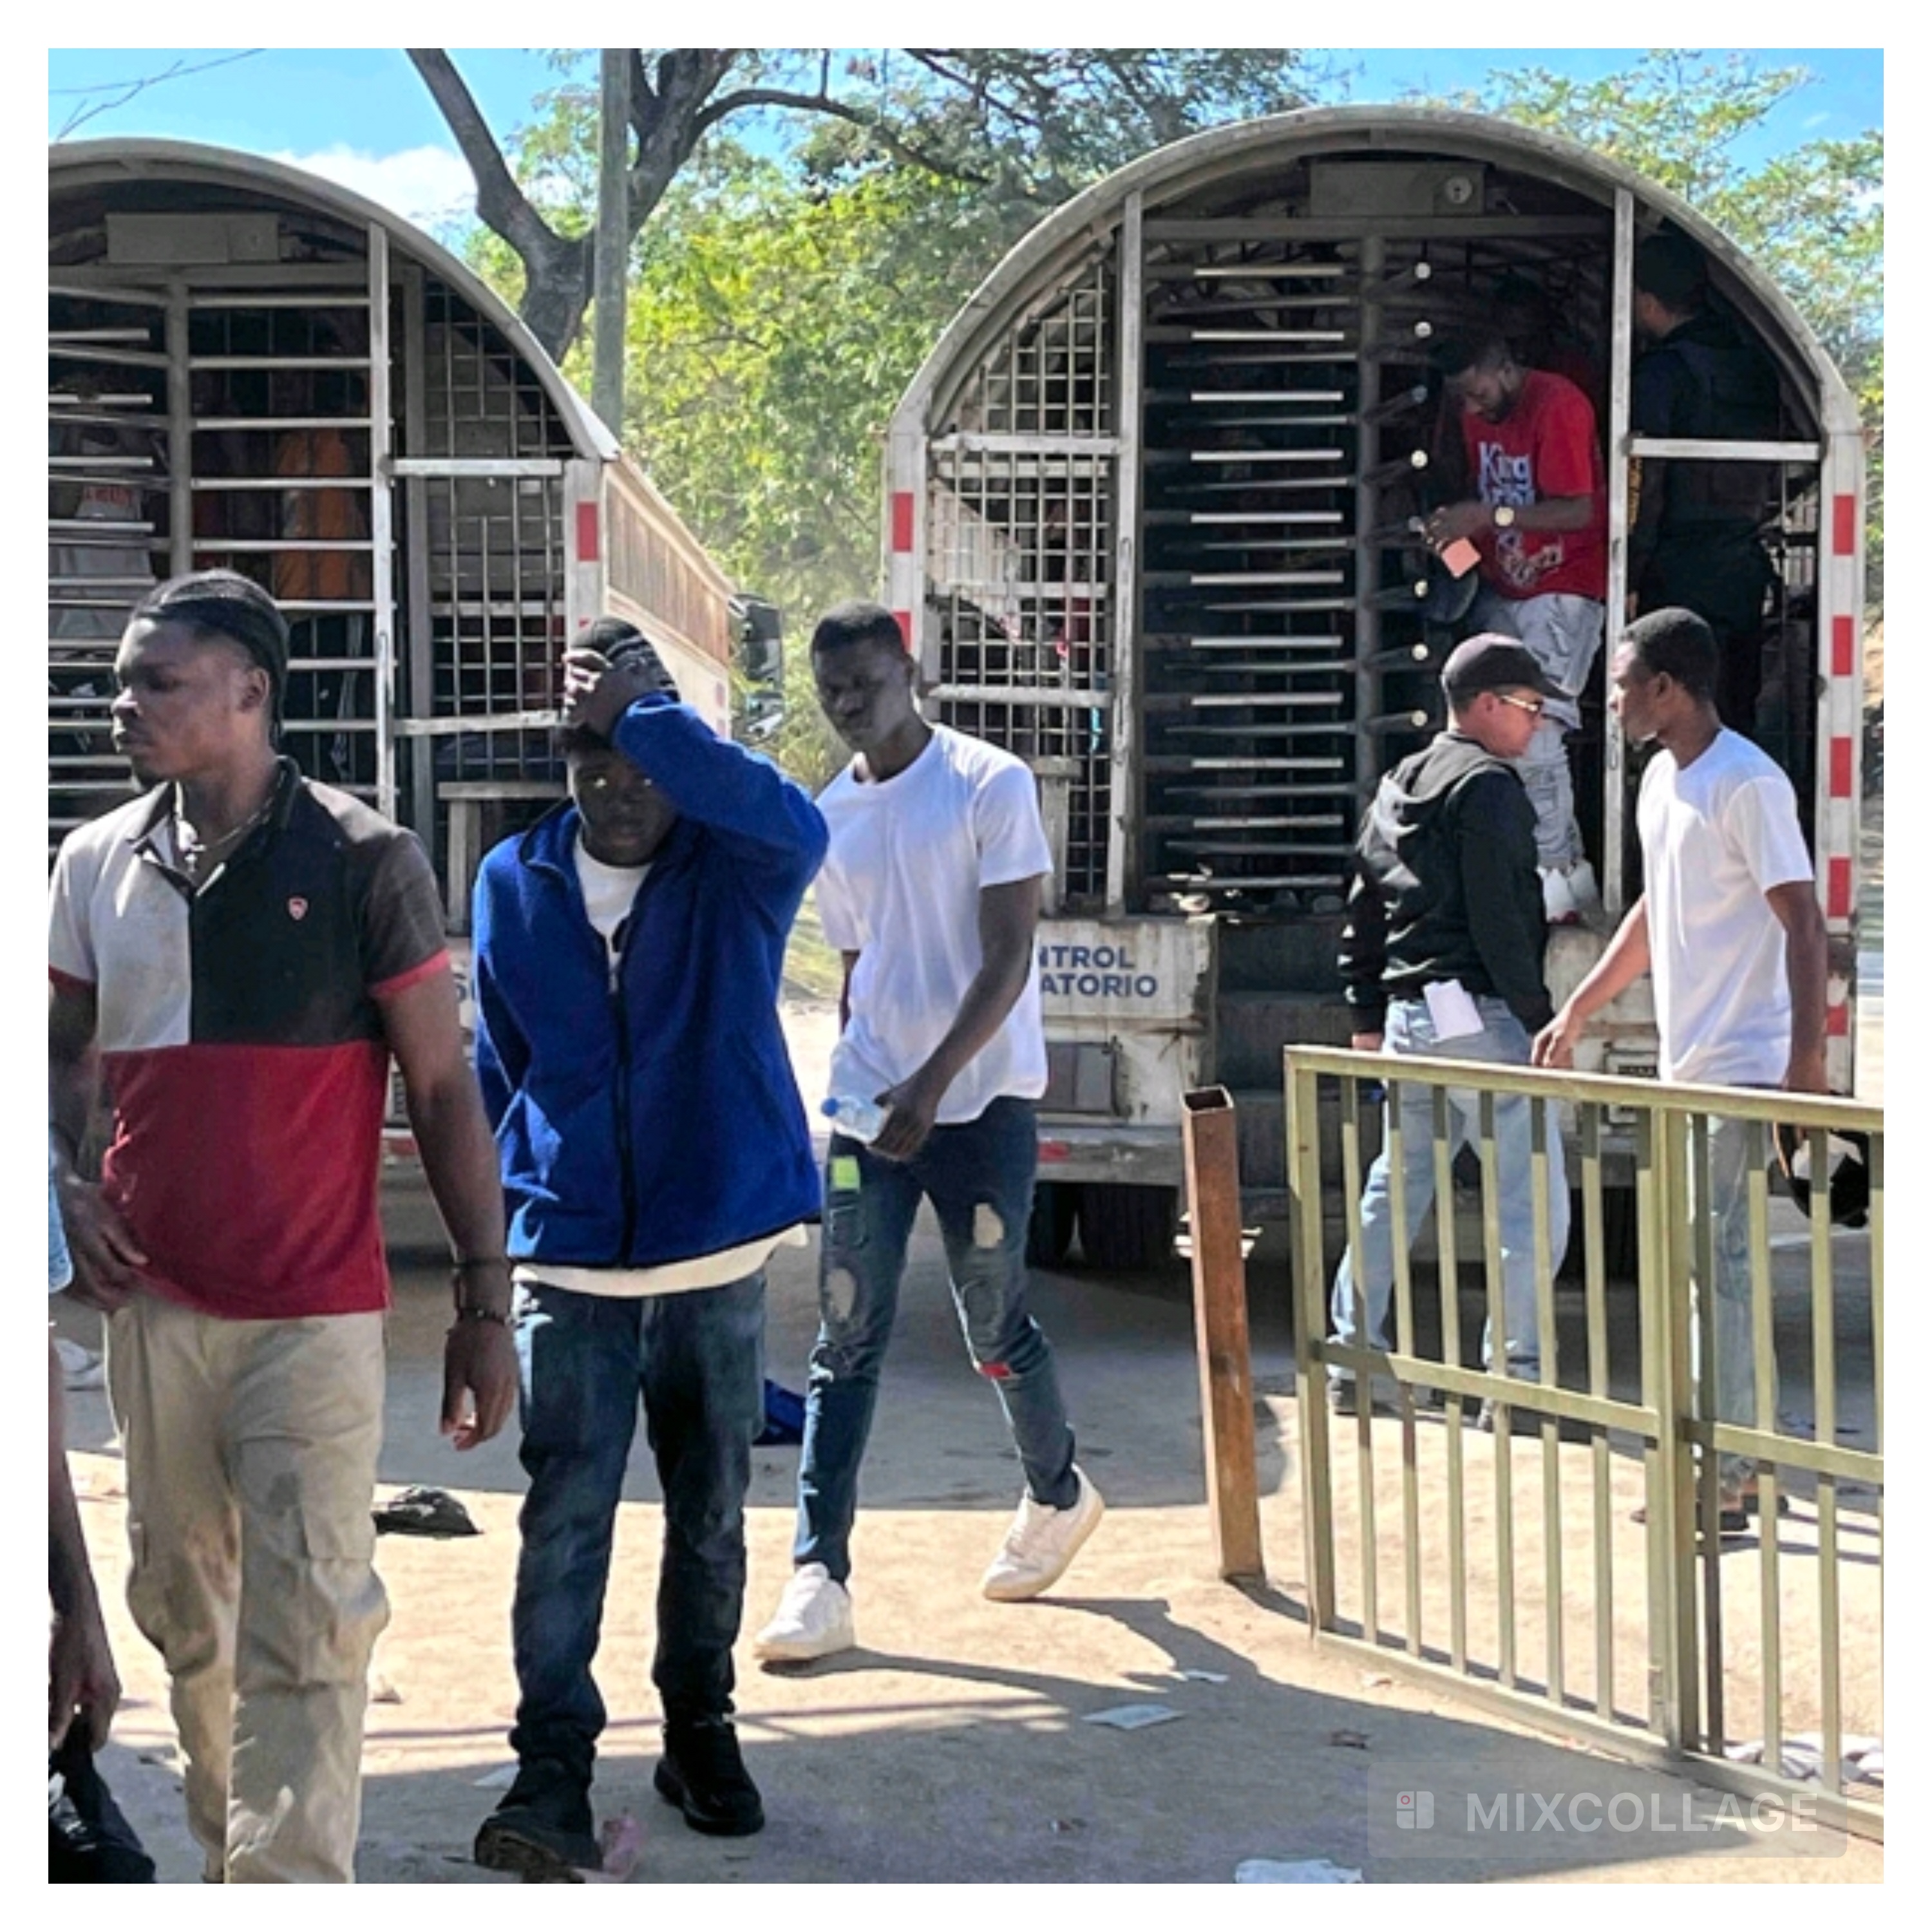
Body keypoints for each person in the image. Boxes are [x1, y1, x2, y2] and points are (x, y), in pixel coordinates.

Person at [48, 568, 518, 1884]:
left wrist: (485, 1304)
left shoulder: (366, 860)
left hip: (313, 1318)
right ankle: (233, 1864)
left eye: (158, 681)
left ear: (252, 693)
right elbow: (55, 1060)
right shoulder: (93, 864)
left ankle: (286, 1890)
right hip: (154, 1311)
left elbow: (442, 1088)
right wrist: (62, 1184)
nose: (123, 704)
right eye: (120, 682)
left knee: (310, 1623)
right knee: (187, 1616)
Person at [468, 621, 828, 1879]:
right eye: (594, 759)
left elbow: (797, 821)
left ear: (678, 755)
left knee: (710, 1513)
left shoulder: (739, 870)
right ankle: (551, 1765)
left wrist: (643, 712)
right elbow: (501, 1059)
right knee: (565, 1519)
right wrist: (521, 1202)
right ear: (560, 761)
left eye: (643, 760)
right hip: (568, 1269)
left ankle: (700, 1729)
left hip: (711, 1257)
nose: (621, 787)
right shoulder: (513, 877)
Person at [753, 601, 1103, 1665]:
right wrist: (864, 1082)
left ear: (911, 673)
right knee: (844, 1333)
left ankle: (1057, 1494)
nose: (848, 705)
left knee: (992, 1324)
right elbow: (860, 966)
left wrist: (933, 1083)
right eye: (831, 691)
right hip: (872, 1111)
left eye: (865, 683)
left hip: (980, 1104)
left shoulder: (989, 783)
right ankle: (819, 1575)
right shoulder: (833, 816)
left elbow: (1009, 956)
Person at [1534, 607, 1827, 1526]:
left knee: (1719, 1266)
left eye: (1623, 684)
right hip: (1687, 1065)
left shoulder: (1748, 781)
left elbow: (1805, 922)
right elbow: (1655, 913)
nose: (1613, 700)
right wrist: (1581, 1006)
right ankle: (1736, 1463)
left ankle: (1727, 1478)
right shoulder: (1664, 780)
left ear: (1666, 688)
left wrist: (1805, 1065)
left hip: (1742, 1064)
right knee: (1707, 1268)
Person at [1328, 636, 1570, 1431]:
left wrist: (1366, 1013)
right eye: (1531, 709)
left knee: (1395, 1189)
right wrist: (1540, 1019)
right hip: (1483, 1014)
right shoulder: (1489, 789)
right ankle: (1515, 1380)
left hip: (1414, 1017)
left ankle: (1353, 1357)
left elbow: (1365, 901)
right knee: (1530, 1201)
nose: (1538, 725)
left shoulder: (1402, 781)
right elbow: (1501, 916)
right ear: (1488, 705)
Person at [1423, 333, 1608, 926]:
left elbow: (1580, 509)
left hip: (1562, 589)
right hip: (1502, 585)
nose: (1471, 408)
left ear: (1505, 368)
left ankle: (1552, 877)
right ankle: (1570, 880)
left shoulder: (1559, 405)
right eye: (1462, 398)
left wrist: (1490, 515)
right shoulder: (1475, 413)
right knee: (1505, 731)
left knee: (1536, 730)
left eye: (1477, 392)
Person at [1629, 230, 1782, 737]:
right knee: (1735, 700)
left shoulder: (1661, 373)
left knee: (1674, 706)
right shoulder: (1756, 366)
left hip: (1677, 566)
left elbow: (1645, 478)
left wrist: (1632, 568)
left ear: (1647, 301)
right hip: (1741, 562)